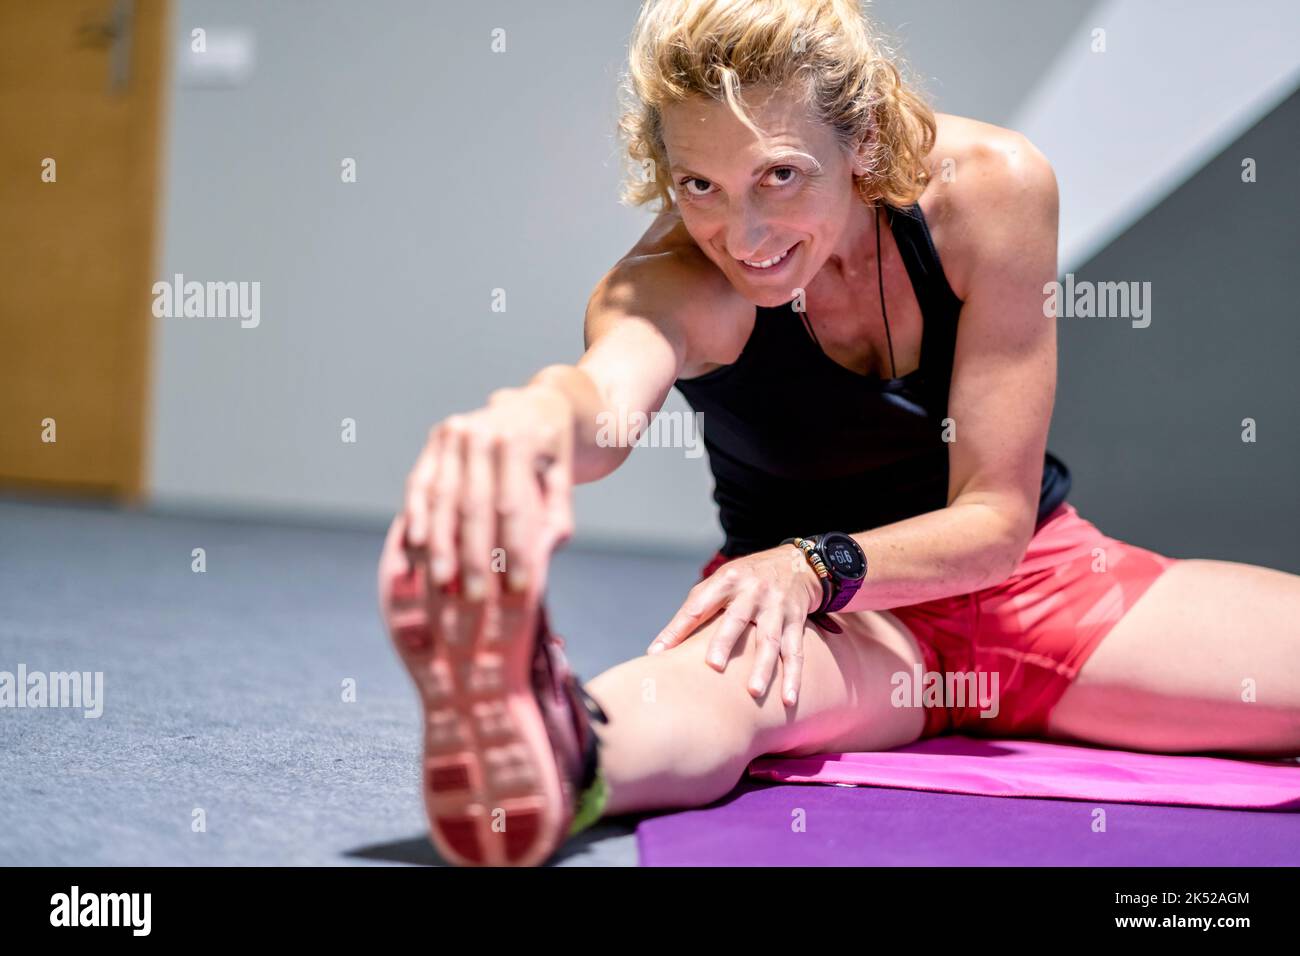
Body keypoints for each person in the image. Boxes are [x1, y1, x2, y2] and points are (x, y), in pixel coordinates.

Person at [377, 0, 1300, 867]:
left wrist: (816, 560)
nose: (742, 235)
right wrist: (534, 424)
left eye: (780, 175)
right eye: (699, 184)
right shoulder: (674, 281)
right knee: (717, 705)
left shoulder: (992, 193)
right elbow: (603, 402)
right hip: (806, 618)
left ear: (861, 139)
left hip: (1034, 588)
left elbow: (995, 519)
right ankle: (561, 748)